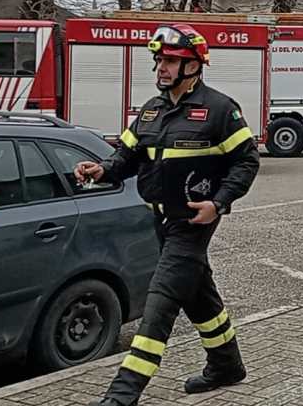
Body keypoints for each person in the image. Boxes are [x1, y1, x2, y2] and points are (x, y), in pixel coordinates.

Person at [76, 24, 259, 406]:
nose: (162, 67)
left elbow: (246, 162)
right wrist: (101, 170)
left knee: (159, 305)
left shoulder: (221, 110)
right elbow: (125, 157)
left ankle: (122, 395)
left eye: (171, 61)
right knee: (199, 295)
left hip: (192, 223)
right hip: (158, 221)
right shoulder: (150, 111)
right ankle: (226, 365)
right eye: (160, 60)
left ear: (193, 66)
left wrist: (218, 203)